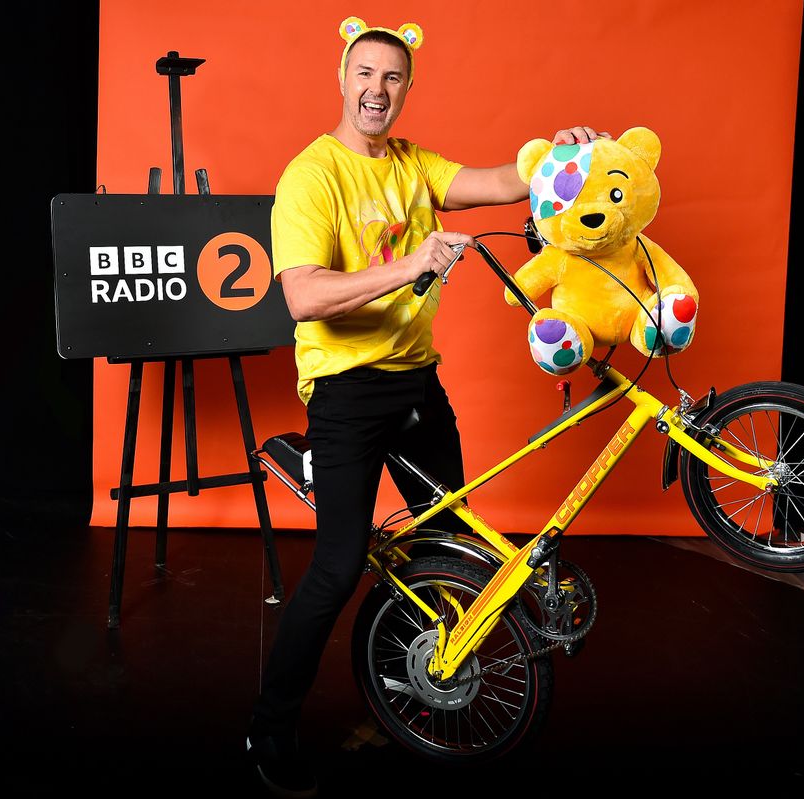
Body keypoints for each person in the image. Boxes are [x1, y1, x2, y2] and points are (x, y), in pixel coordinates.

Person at [246, 17, 608, 796]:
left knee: (441, 535)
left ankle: (413, 680)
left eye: (394, 78)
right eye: (366, 74)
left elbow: (503, 181)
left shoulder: (413, 164)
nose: (378, 90)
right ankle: (269, 723)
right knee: (339, 566)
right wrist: (412, 262)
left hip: (415, 382)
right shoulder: (311, 176)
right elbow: (304, 296)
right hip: (346, 392)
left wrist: (563, 152)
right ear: (342, 78)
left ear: (407, 88)